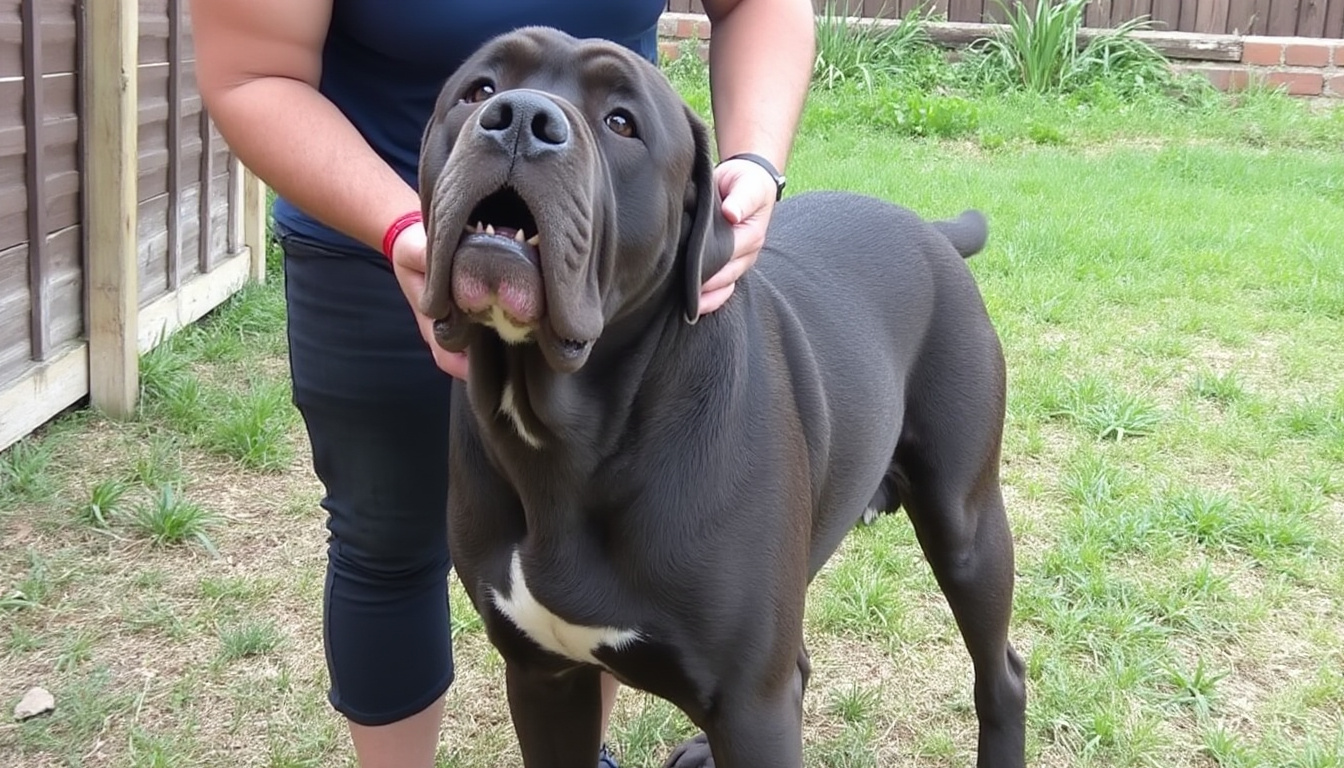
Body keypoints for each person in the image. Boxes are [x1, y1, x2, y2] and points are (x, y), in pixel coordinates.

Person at [190, 1, 815, 766]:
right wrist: (402, 226)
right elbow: (253, 72)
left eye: (618, 119)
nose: (522, 117)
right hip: (368, 207)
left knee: (597, 562)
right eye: (483, 96)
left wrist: (751, 161)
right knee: (383, 542)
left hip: (614, 260)